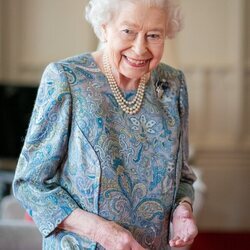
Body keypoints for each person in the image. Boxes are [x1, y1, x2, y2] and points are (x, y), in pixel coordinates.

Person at [13, 0, 198, 249]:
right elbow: (29, 184)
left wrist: (182, 210)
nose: (140, 48)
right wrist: (104, 233)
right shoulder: (67, 79)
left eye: (154, 35)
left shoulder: (172, 84)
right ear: (104, 28)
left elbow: (183, 176)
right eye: (128, 31)